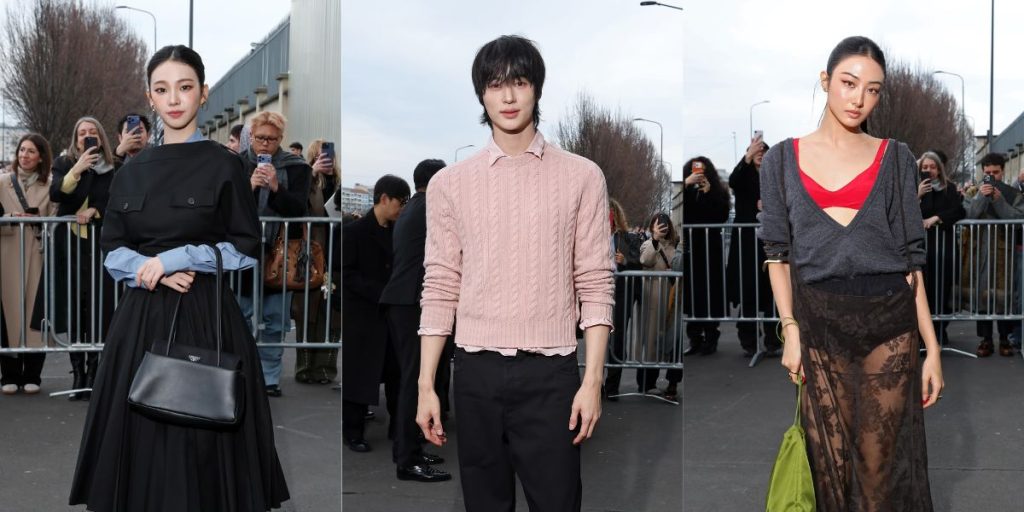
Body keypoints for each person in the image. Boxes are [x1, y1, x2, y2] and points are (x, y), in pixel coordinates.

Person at [69, 44, 289, 511]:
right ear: (149, 96)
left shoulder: (225, 163)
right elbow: (112, 251)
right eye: (162, 89)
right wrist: (151, 272)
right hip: (140, 321)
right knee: (140, 439)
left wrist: (177, 259)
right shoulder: (131, 171)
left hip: (207, 317)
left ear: (203, 94)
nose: (174, 99)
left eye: (185, 88)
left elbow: (246, 247)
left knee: (205, 444)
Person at [415, 35, 613, 511]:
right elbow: (441, 283)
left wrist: (593, 381)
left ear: (536, 89)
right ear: (481, 94)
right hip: (475, 372)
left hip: (552, 373)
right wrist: (425, 386)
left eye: (519, 82)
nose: (507, 96)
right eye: (495, 84)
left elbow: (596, 281)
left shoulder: (583, 176)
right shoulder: (449, 184)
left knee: (558, 503)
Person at [758, 36, 942, 511]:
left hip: (889, 324)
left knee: (878, 466)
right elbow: (777, 255)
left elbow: (910, 265)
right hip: (818, 323)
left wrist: (933, 349)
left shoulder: (896, 156)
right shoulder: (780, 159)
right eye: (848, 82)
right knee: (828, 467)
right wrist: (790, 328)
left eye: (874, 89)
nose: (859, 98)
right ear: (825, 81)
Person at [379, 159, 452, 482]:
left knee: (411, 377)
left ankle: (407, 451)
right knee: (415, 379)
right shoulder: (431, 210)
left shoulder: (413, 207)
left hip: (403, 301)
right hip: (411, 302)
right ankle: (407, 460)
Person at [237, 111, 312, 396]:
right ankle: (243, 370)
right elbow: (229, 205)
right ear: (251, 138)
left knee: (275, 318)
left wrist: (276, 187)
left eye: (271, 139)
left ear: (281, 139)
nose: (265, 145)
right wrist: (250, 186)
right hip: (244, 250)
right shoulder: (239, 163)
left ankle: (269, 377)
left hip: (281, 252)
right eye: (260, 138)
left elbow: (299, 209)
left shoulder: (297, 167)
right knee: (242, 314)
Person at [49, 116, 121, 401]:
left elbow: (116, 199)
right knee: (75, 307)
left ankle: (93, 373)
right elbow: (57, 193)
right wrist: (78, 169)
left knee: (98, 308)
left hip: (100, 245)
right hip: (70, 244)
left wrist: (96, 211)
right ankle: (77, 373)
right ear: (75, 138)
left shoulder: (111, 167)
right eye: (82, 133)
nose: (87, 137)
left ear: (101, 137)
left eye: (93, 132)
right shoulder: (65, 162)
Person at [342, 174, 409, 452]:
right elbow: (346, 273)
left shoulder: (398, 232)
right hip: (363, 316)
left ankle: (400, 428)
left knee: (397, 375)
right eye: (401, 202)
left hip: (391, 317)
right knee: (359, 376)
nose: (403, 207)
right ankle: (353, 431)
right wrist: (381, 291)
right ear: (384, 199)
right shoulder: (354, 231)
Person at [0, 134, 56, 395]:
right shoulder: (2, 181)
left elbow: (57, 219)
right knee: (7, 312)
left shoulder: (50, 185)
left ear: (41, 156)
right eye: (22, 150)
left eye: (31, 151)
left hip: (37, 253)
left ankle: (33, 373)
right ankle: (9, 374)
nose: (24, 155)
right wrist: (12, 217)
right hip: (7, 252)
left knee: (36, 312)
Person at [292, 139, 340, 384]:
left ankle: (325, 370)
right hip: (311, 257)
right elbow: (295, 205)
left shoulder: (340, 183)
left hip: (336, 256)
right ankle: (304, 368)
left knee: (331, 315)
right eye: (321, 155)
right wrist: (312, 174)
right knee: (306, 313)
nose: (327, 159)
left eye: (330, 155)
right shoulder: (307, 182)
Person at [965, 152, 1023, 357]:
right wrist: (981, 196)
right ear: (982, 171)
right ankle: (986, 339)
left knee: (1006, 296)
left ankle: (1005, 339)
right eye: (987, 172)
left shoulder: (1013, 194)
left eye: (995, 172)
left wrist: (999, 201)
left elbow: (1017, 219)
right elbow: (969, 214)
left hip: (1005, 253)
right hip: (980, 252)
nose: (991, 176)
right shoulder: (974, 190)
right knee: (983, 296)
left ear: (1003, 171)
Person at [727, 136, 780, 357]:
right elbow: (733, 181)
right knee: (747, 289)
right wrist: (747, 156)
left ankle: (773, 340)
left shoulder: (775, 177)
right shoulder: (743, 175)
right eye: (756, 150)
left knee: (772, 289)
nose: (760, 153)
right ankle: (748, 339)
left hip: (770, 241)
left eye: (763, 150)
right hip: (746, 242)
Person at [680, 156, 729, 355]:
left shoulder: (717, 191)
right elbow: (681, 212)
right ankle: (694, 337)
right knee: (693, 294)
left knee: (711, 292)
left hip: (710, 249)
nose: (699, 174)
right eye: (695, 170)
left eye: (702, 170)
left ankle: (711, 335)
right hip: (691, 249)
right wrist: (686, 185)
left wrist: (709, 193)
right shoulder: (686, 191)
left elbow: (721, 216)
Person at [917, 151, 965, 346]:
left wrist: (937, 218)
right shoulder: (913, 188)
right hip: (920, 249)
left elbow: (959, 210)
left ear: (939, 169)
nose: (929, 171)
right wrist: (918, 195)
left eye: (932, 167)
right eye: (925, 167)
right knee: (922, 292)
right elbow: (901, 211)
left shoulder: (949, 188)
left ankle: (940, 332)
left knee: (942, 290)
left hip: (943, 248)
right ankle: (922, 336)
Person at [637, 212, 682, 399]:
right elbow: (645, 260)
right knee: (651, 344)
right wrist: (654, 239)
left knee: (675, 343)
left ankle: (672, 384)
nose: (661, 228)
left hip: (673, 302)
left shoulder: (676, 246)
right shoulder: (648, 244)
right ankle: (647, 383)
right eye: (657, 225)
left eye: (664, 225)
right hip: (654, 302)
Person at [603, 198, 642, 400]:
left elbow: (639, 262)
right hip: (599, 291)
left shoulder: (627, 238)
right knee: (598, 339)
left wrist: (625, 261)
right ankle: (595, 384)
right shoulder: (590, 235)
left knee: (617, 340)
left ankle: (612, 386)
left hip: (621, 291)